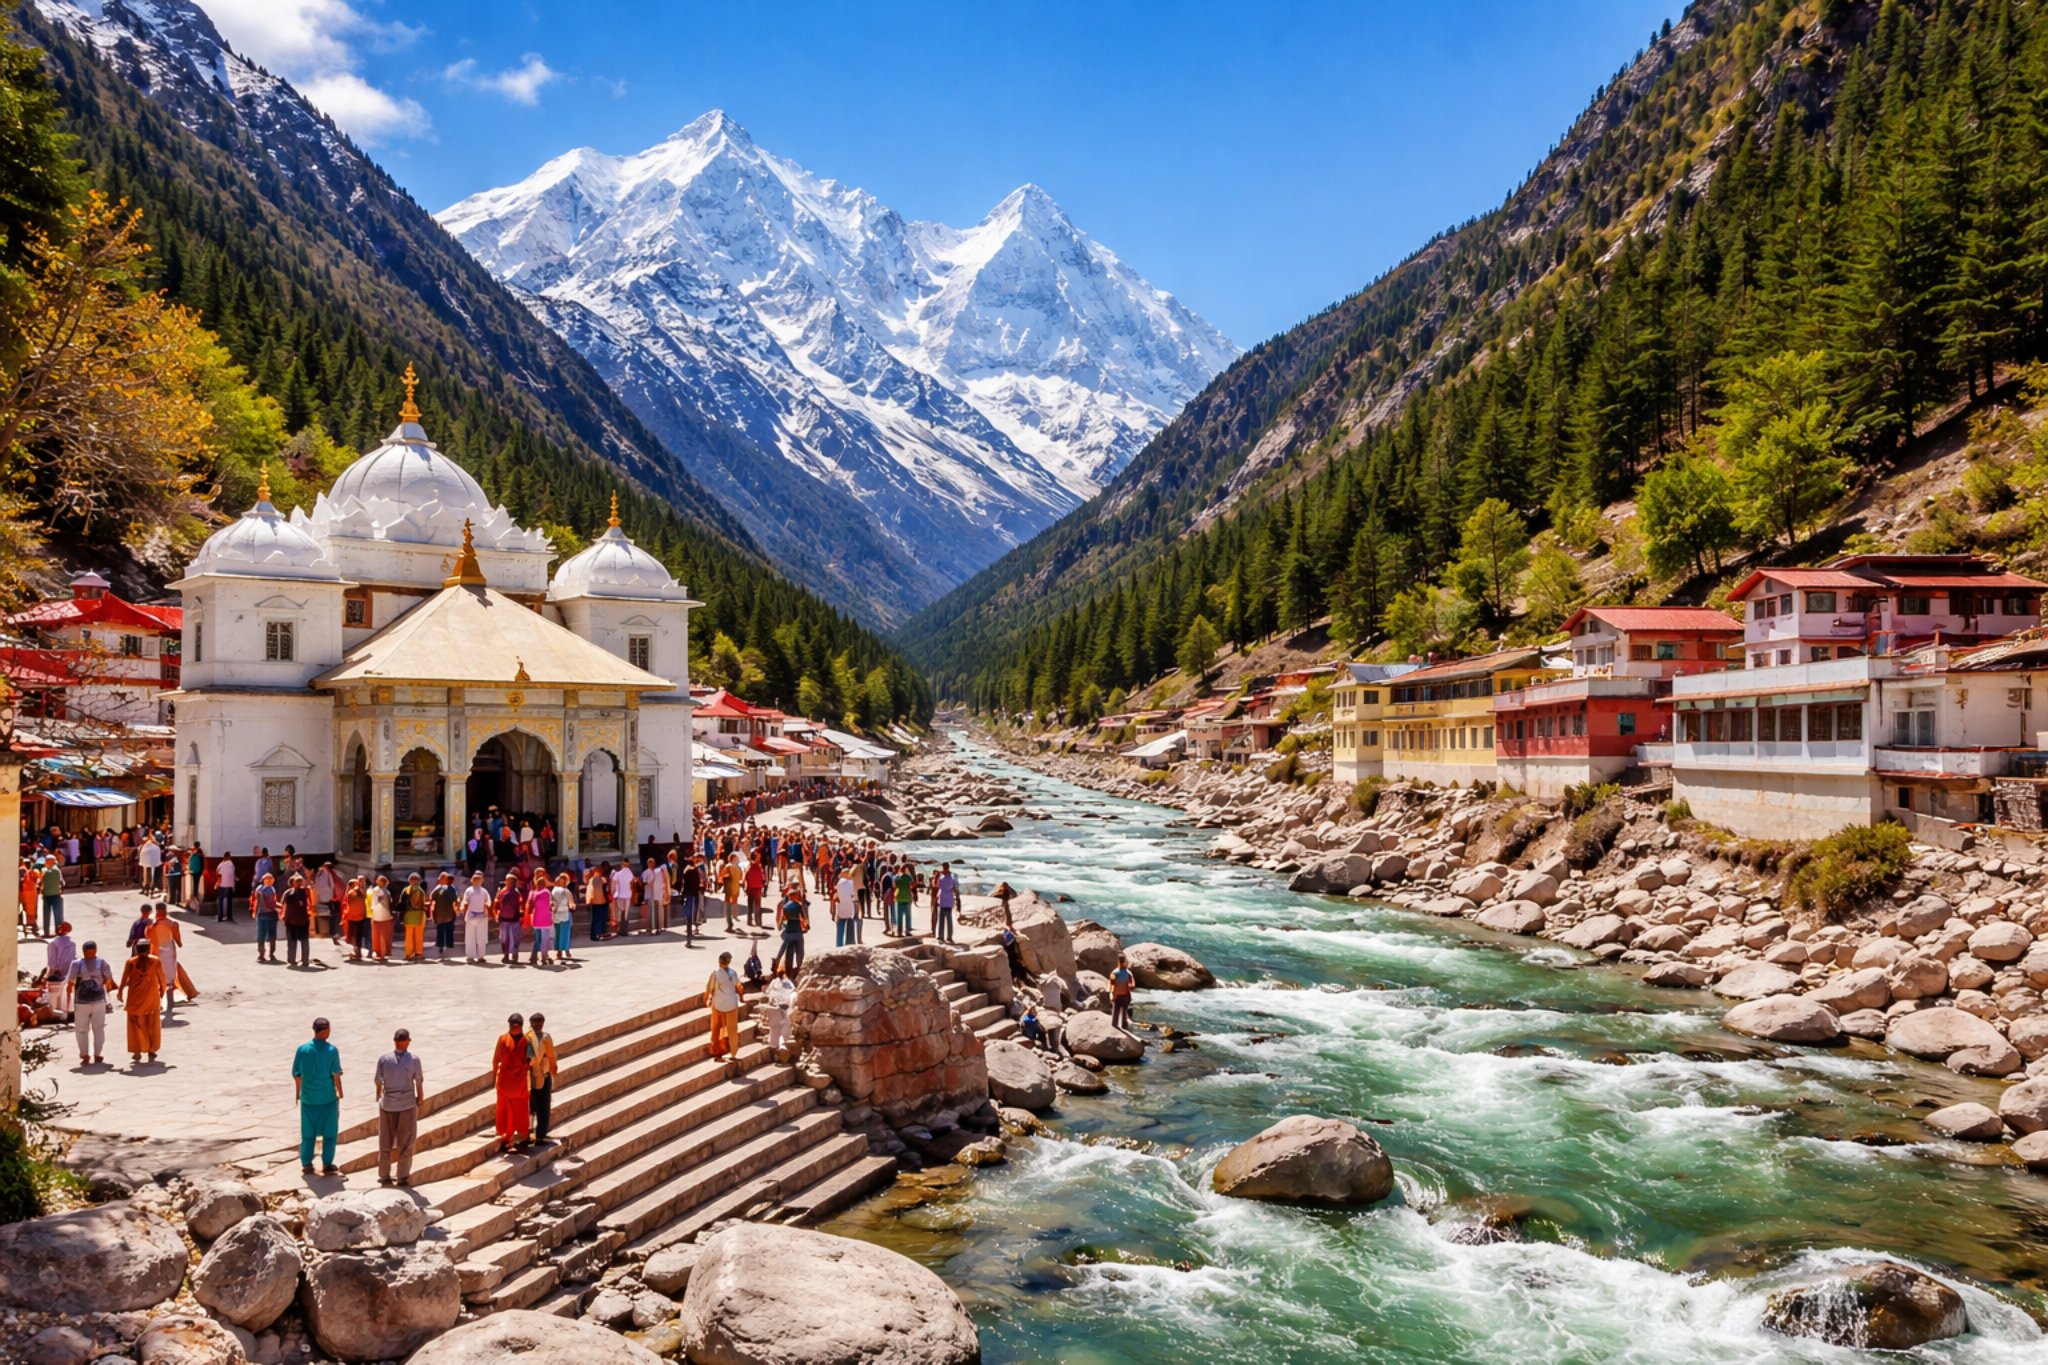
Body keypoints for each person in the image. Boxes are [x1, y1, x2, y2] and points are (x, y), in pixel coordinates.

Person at [293, 1017, 344, 1178]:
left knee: (308, 1133)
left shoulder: (302, 1049)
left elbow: (296, 1074)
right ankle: (327, 1163)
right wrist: (340, 1092)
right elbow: (336, 1074)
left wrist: (298, 1092)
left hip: (308, 1098)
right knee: (330, 1133)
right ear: (325, 1030)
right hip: (327, 1098)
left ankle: (307, 1164)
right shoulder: (331, 1050)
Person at [374, 1027, 425, 1186]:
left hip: (387, 1105)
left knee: (385, 1142)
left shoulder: (384, 1059)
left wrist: (379, 1096)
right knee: (406, 1142)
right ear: (405, 1042)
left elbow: (378, 1081)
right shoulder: (414, 1060)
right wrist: (420, 1098)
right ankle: (402, 1176)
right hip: (406, 1105)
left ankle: (384, 1175)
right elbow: (418, 1081)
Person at [116, 940, 166, 1066]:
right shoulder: (155, 961)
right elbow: (162, 979)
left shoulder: (131, 962)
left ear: (136, 950)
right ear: (149, 949)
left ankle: (137, 1050)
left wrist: (120, 991)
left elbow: (124, 978)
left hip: (134, 998)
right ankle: (151, 1049)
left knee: (135, 1024)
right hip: (151, 998)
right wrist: (162, 991)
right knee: (151, 1023)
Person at [66, 940, 113, 1064]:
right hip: (82, 1002)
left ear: (96, 951)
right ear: (84, 952)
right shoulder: (77, 964)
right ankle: (85, 1054)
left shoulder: (102, 963)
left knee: (96, 1028)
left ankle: (97, 1054)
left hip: (96, 1001)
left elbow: (108, 980)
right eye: (88, 953)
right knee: (84, 1028)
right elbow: (70, 983)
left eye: (92, 952)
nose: (90, 955)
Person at [492, 1014, 532, 1152]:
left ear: (521, 1026)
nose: (514, 1027)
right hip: (505, 1083)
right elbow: (496, 1059)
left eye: (516, 1025)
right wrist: (494, 1077)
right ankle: (507, 1138)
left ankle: (523, 1138)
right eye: (512, 1024)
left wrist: (524, 1068)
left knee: (520, 1111)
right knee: (506, 1112)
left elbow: (530, 1060)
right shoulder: (503, 1039)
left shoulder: (526, 1041)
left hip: (519, 1083)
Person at [145, 904, 190, 1012]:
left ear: (156, 911)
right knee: (170, 978)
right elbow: (178, 941)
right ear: (165, 911)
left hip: (155, 954)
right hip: (169, 954)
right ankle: (170, 1001)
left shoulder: (151, 925)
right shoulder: (172, 924)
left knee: (156, 978)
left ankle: (157, 1003)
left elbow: (148, 938)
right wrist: (179, 943)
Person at [526, 1013, 558, 1144]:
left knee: (544, 1106)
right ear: (531, 1023)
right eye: (536, 1022)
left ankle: (541, 1134)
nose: (538, 1024)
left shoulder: (546, 1037)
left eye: (540, 1022)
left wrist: (553, 1069)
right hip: (531, 1076)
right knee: (531, 1107)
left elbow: (551, 1056)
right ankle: (528, 1133)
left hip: (544, 1075)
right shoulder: (528, 1038)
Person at [705, 952, 742, 1065]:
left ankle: (717, 1052)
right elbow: (738, 986)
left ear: (719, 961)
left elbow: (709, 988)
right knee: (732, 1030)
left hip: (718, 1005)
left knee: (716, 1028)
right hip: (731, 1005)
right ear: (729, 962)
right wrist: (741, 997)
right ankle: (733, 1053)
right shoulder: (733, 973)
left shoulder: (715, 973)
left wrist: (708, 999)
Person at [772, 887, 808, 978]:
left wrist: (779, 926)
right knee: (800, 950)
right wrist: (805, 926)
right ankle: (800, 966)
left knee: (783, 946)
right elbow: (803, 918)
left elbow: (783, 918)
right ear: (794, 896)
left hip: (788, 931)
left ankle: (776, 961)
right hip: (797, 931)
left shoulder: (785, 907)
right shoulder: (799, 906)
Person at [44, 922, 76, 1020]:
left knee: (55, 992)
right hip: (70, 972)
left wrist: (49, 974)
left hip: (58, 974)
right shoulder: (72, 943)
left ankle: (58, 1010)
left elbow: (52, 962)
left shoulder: (53, 943)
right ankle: (69, 1009)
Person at [763, 964, 796, 1056]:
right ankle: (781, 1045)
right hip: (784, 1008)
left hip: (774, 1008)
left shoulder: (774, 982)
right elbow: (793, 992)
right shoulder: (788, 983)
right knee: (785, 1026)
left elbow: (767, 992)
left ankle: (774, 1047)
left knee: (774, 1028)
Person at [282, 874, 313, 967]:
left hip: (298, 920)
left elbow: (283, 905)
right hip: (295, 921)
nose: (299, 883)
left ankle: (300, 960)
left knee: (298, 941)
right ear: (292, 883)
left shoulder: (304, 891)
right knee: (297, 941)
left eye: (300, 881)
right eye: (298, 881)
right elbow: (284, 905)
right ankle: (298, 960)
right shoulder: (289, 893)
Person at [461, 872, 492, 963]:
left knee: (474, 937)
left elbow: (465, 903)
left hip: (477, 916)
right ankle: (477, 956)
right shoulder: (473, 890)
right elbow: (488, 903)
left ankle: (477, 956)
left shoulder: (481, 891)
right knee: (477, 937)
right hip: (476, 916)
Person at [253, 872, 281, 964]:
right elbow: (271, 903)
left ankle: (262, 955)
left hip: (262, 915)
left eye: (270, 879)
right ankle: (270, 954)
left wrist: (255, 912)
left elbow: (256, 902)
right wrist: (281, 907)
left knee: (262, 936)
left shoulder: (259, 889)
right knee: (271, 935)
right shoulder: (271, 889)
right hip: (269, 915)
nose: (269, 881)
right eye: (267, 879)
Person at [431, 872, 460, 959]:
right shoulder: (450, 889)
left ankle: (442, 945)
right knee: (447, 930)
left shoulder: (439, 889)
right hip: (447, 913)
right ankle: (447, 946)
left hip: (442, 914)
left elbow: (432, 898)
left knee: (442, 930)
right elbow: (456, 900)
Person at [401, 873, 429, 962]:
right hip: (416, 916)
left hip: (412, 916)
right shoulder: (420, 891)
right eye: (415, 880)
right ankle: (416, 953)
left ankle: (410, 954)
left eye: (415, 880)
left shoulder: (407, 890)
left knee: (411, 936)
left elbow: (401, 903)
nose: (415, 881)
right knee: (416, 936)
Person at [526, 876, 554, 966]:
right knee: (544, 940)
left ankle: (541, 957)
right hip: (544, 920)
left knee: (539, 940)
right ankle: (543, 957)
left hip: (538, 920)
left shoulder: (534, 893)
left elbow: (531, 905)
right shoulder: (546, 892)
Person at [314, 861, 344, 941]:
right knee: (334, 916)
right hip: (333, 899)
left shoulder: (325, 874)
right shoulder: (329, 874)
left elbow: (333, 886)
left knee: (334, 916)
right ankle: (335, 933)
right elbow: (333, 886)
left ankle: (335, 933)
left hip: (331, 899)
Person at [496, 877, 524, 963]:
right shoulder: (516, 893)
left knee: (506, 938)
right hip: (513, 919)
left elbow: (497, 904)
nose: (506, 882)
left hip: (507, 919)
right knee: (512, 938)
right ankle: (512, 955)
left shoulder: (504, 892)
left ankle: (507, 956)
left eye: (507, 881)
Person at [342, 877, 369, 960]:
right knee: (357, 936)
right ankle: (357, 952)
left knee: (354, 936)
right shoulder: (353, 892)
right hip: (355, 917)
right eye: (356, 883)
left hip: (354, 917)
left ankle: (356, 952)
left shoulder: (352, 892)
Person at [369, 875, 395, 962]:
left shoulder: (383, 890)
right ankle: (381, 953)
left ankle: (382, 954)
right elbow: (375, 902)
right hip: (380, 915)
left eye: (383, 881)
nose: (382, 883)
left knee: (381, 935)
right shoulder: (379, 890)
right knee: (381, 935)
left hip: (381, 915)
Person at [551, 874, 575, 962]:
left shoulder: (553, 891)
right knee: (565, 934)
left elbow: (552, 903)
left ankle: (559, 952)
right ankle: (566, 950)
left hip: (556, 914)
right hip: (565, 914)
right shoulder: (567, 891)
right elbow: (572, 904)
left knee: (558, 934)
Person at [677, 857, 701, 945]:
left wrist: (682, 895)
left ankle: (689, 930)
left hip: (688, 895)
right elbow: (698, 884)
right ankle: (690, 929)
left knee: (688, 914)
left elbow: (684, 885)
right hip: (694, 895)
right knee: (692, 913)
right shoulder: (695, 871)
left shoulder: (686, 872)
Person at [933, 862, 958, 944]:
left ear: (943, 868)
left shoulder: (941, 878)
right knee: (949, 920)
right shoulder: (952, 877)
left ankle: (941, 936)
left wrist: (936, 876)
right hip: (949, 900)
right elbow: (955, 888)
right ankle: (949, 937)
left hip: (942, 900)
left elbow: (937, 886)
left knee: (941, 920)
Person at [1110, 954, 1136, 1031]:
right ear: (1124, 962)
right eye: (1126, 961)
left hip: (1117, 995)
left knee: (1116, 1012)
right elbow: (1132, 985)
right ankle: (1124, 1027)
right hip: (1125, 995)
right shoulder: (1128, 973)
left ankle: (1115, 1026)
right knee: (1124, 1012)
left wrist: (1112, 995)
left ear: (1118, 962)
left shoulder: (1114, 973)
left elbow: (1112, 986)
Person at [39, 858, 64, 936]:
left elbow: (40, 882)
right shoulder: (57, 871)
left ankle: (46, 932)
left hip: (46, 895)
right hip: (56, 895)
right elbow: (62, 883)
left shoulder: (43, 871)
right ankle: (59, 931)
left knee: (46, 914)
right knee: (58, 914)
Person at [833, 870, 858, 948]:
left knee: (840, 926)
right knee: (850, 925)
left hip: (840, 908)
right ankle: (850, 944)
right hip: (849, 908)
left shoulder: (838, 884)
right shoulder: (851, 883)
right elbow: (853, 894)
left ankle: (839, 944)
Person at [892, 864, 916, 938]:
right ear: (906, 870)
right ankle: (907, 931)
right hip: (907, 897)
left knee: (899, 916)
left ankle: (899, 932)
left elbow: (894, 887)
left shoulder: (896, 877)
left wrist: (896, 894)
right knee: (908, 916)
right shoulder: (908, 877)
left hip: (899, 897)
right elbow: (912, 885)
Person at [214, 852, 237, 922]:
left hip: (222, 884)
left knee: (220, 901)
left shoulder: (221, 864)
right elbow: (233, 874)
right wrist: (234, 885)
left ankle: (220, 917)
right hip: (230, 885)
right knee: (229, 901)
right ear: (229, 857)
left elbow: (217, 873)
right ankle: (229, 916)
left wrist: (217, 883)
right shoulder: (231, 864)